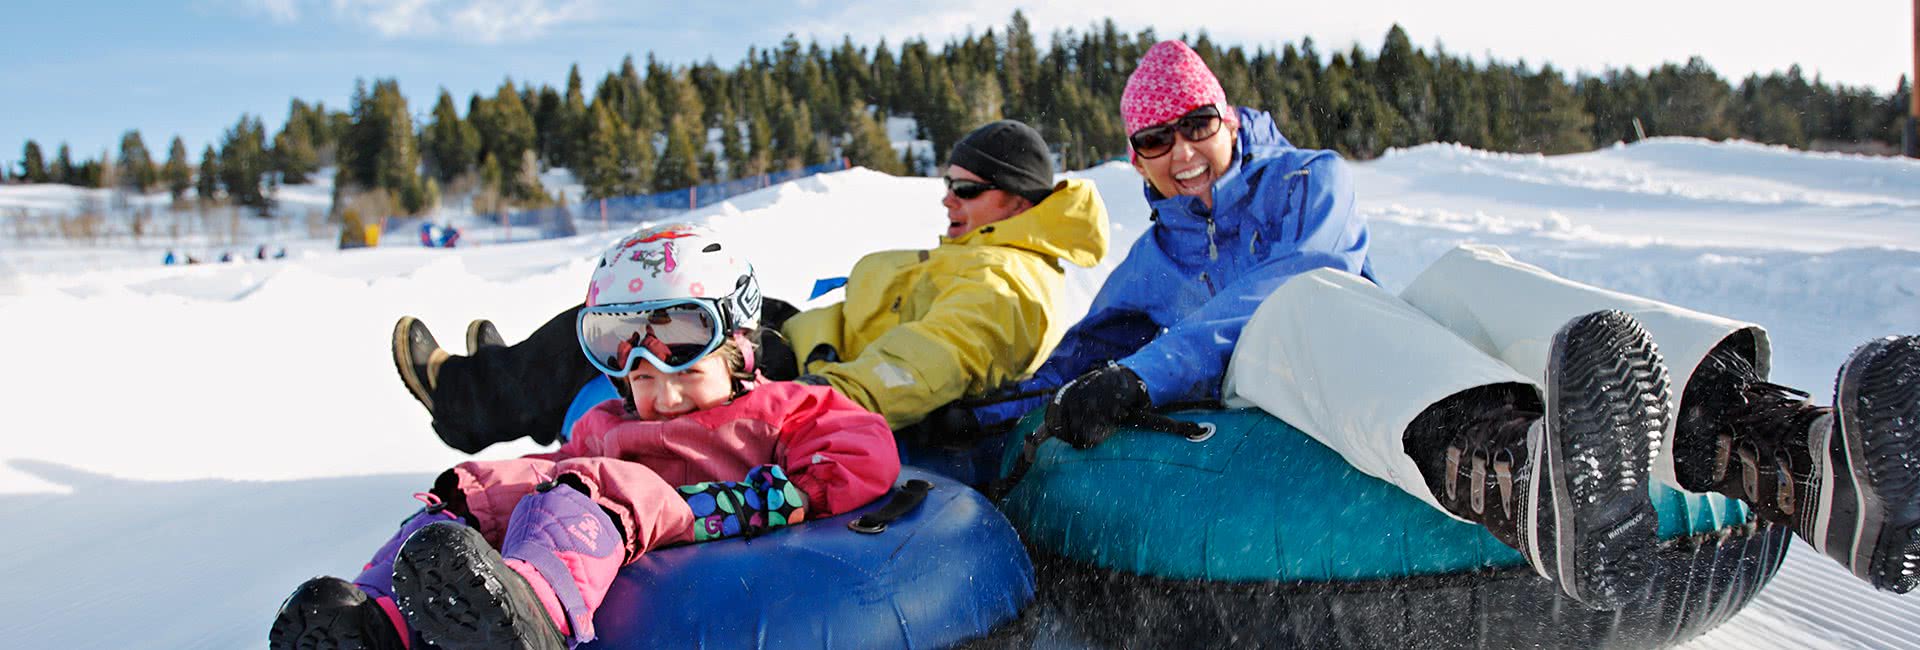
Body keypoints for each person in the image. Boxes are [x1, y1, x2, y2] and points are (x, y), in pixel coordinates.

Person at [976, 39, 1920, 607]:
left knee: (1466, 278)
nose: (1182, 154)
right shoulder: (1148, 267)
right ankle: (1522, 480)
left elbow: (1301, 275)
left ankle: (1791, 453)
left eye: (1197, 126)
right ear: (1134, 155)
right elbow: (1081, 362)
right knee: (1305, 311)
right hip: (1282, 377)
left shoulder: (1311, 181)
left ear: (1228, 117)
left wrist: (1154, 367)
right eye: (1155, 140)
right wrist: (1000, 417)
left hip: (1349, 342)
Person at [270, 224, 900, 649]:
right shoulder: (610, 424)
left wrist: (759, 499)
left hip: (685, 513)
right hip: (598, 504)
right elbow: (559, 470)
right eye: (634, 368)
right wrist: (489, 493)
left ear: (738, 347)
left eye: (685, 357)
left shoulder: (782, 405)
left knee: (589, 483)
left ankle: (529, 613)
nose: (661, 392)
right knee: (487, 489)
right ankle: (378, 617)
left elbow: (861, 449)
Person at [392, 119, 1109, 453]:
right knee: (653, 294)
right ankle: (517, 374)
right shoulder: (987, 249)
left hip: (816, 372)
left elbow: (932, 359)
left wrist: (828, 400)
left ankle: (467, 398)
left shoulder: (1009, 284)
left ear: (1017, 199)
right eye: (947, 184)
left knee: (647, 313)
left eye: (967, 189)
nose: (947, 200)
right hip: (805, 333)